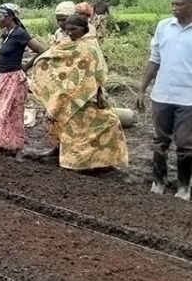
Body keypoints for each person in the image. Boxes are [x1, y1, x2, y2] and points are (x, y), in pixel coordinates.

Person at [32, 14, 128, 171]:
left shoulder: (90, 46)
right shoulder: (67, 43)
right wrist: (40, 64)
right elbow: (52, 58)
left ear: (84, 28)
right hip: (68, 95)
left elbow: (98, 72)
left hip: (88, 95)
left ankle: (103, 161)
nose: (70, 32)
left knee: (109, 123)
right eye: (67, 29)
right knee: (68, 127)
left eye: (74, 29)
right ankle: (72, 160)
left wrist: (100, 92)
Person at [137, 0, 192, 201]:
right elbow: (154, 59)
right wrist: (142, 89)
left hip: (191, 98)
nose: (174, 7)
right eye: (173, 3)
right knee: (160, 141)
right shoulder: (163, 26)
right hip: (163, 94)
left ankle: (184, 187)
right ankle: (158, 181)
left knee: (184, 143)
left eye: (179, 4)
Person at [0, 3, 46, 156]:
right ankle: (2, 146)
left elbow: (41, 50)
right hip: (2, 78)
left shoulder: (20, 34)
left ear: (9, 17)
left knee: (10, 113)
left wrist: (25, 67)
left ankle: (15, 147)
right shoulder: (7, 34)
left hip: (13, 78)